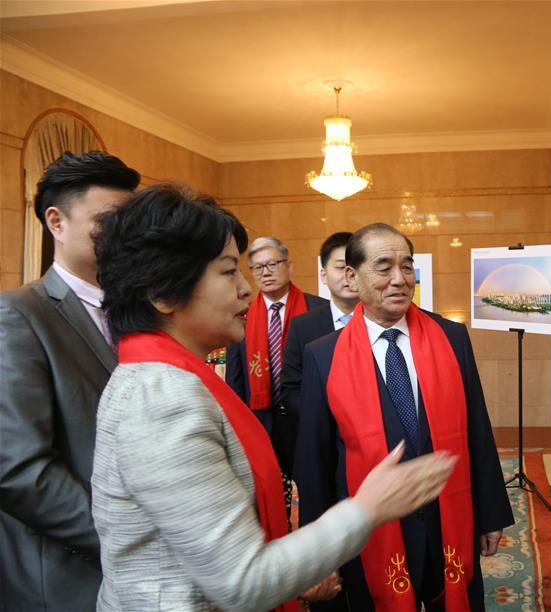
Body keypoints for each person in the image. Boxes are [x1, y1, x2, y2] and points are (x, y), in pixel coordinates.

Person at [90, 184, 456, 611]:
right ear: (163, 293)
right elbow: (242, 580)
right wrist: (367, 508)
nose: (246, 290)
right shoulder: (161, 398)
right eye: (229, 272)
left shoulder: (165, 378)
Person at [297, 223, 514, 611]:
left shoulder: (452, 337)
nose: (399, 279)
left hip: (448, 519)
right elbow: (316, 461)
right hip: (370, 532)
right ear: (352, 277)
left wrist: (490, 515)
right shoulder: (323, 355)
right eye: (384, 268)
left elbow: (477, 431)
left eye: (407, 267)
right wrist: (319, 549)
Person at [0, 151, 140, 611]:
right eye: (108, 222)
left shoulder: (141, 315)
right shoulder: (19, 314)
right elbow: (18, 469)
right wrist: (127, 540)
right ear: (56, 222)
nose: (125, 236)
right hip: (67, 576)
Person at [225, 236, 326, 515]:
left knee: (314, 491)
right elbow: (235, 380)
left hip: (306, 418)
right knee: (270, 498)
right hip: (262, 421)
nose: (265, 272)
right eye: (258, 268)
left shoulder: (318, 311)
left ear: (289, 266)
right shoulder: (241, 315)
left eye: (272, 264)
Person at [281, 231, 358, 483]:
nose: (349, 275)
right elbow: (291, 389)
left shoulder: (383, 323)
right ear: (324, 275)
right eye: (341, 267)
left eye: (355, 267)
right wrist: (325, 420)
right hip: (321, 443)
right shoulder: (303, 326)